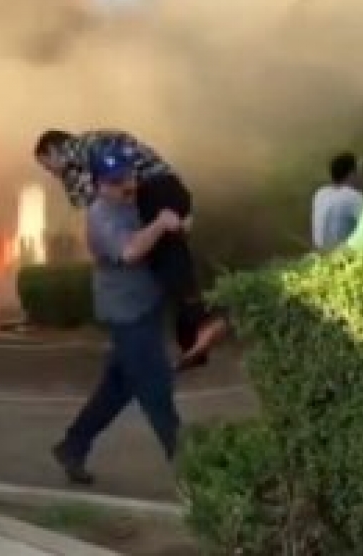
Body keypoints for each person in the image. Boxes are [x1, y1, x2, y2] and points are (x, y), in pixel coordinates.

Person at [34, 129, 227, 370]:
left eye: (47, 165)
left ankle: (202, 322)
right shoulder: (92, 151)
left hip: (156, 191)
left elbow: (96, 196)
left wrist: (103, 221)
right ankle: (194, 342)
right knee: (168, 264)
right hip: (169, 190)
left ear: (53, 150)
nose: (50, 172)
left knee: (167, 261)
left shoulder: (81, 150)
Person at [53, 147, 181, 484]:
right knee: (156, 389)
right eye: (115, 181)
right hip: (127, 314)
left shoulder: (132, 203)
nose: (126, 185)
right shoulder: (101, 215)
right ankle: (192, 470)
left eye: (128, 177)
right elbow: (130, 251)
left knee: (116, 389)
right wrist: (160, 224)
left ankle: (72, 446)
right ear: (99, 185)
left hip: (145, 306)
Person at [312, 152, 363, 251]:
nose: (360, 176)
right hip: (342, 254)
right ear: (351, 175)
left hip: (320, 252)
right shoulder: (353, 197)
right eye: (357, 172)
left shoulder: (320, 193)